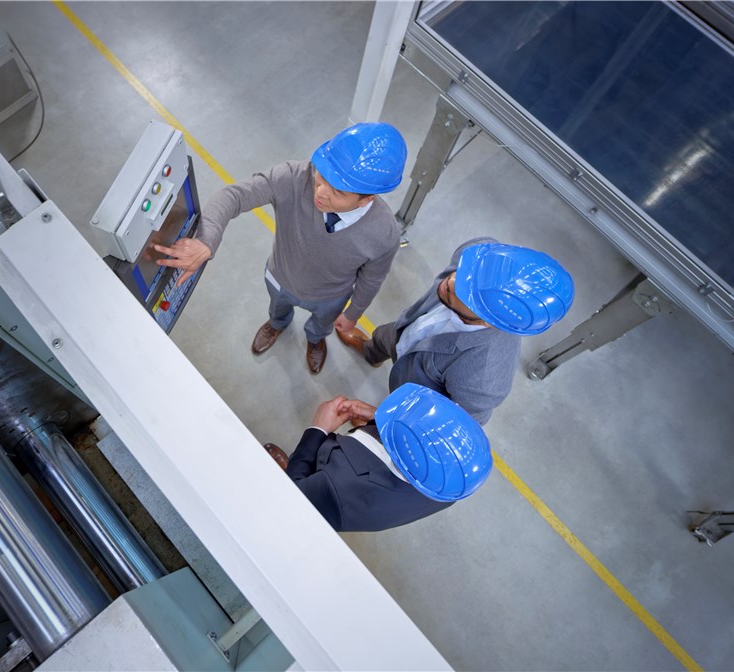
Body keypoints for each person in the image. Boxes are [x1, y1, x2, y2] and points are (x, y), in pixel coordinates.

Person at [153, 123, 407, 374]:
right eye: (323, 174)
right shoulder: (294, 178)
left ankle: (315, 339)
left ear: (367, 198)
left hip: (330, 297)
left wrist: (353, 312)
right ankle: (277, 324)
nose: (320, 191)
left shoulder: (384, 233)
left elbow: (372, 279)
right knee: (277, 308)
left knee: (321, 325)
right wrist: (206, 240)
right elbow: (234, 196)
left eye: (338, 191)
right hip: (280, 276)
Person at [337, 238, 574, 424]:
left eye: (465, 294)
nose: (450, 281)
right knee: (383, 338)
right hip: (405, 331)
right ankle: (371, 352)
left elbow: (452, 421)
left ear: (489, 322)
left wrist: (383, 419)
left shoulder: (483, 379)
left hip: (411, 385)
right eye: (464, 274)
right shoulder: (479, 253)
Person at [273, 383, 492, 532]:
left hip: (315, 490)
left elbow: (294, 499)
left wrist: (317, 429)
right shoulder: (449, 485)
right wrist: (382, 420)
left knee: (297, 474)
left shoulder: (340, 490)